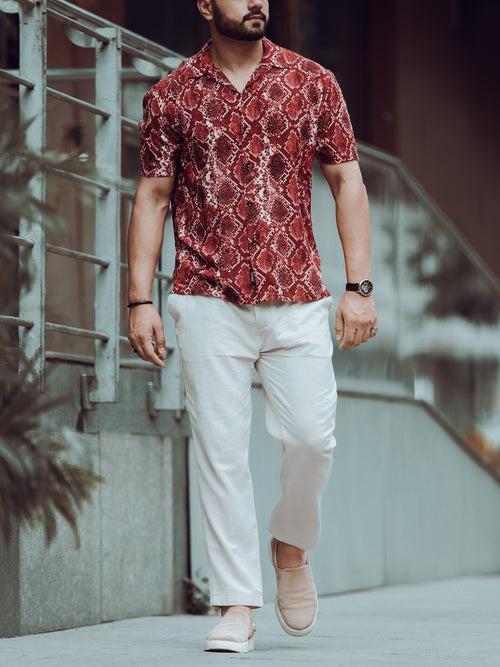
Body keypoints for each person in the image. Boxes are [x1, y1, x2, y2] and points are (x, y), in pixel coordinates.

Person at [127, 0, 377, 654]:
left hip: (298, 296)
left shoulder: (313, 82)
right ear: (207, 6)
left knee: (312, 438)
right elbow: (152, 196)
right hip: (207, 296)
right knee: (221, 453)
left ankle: (291, 540)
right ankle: (236, 601)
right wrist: (138, 300)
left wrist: (358, 287)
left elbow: (347, 181)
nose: (256, 1)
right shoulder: (170, 97)